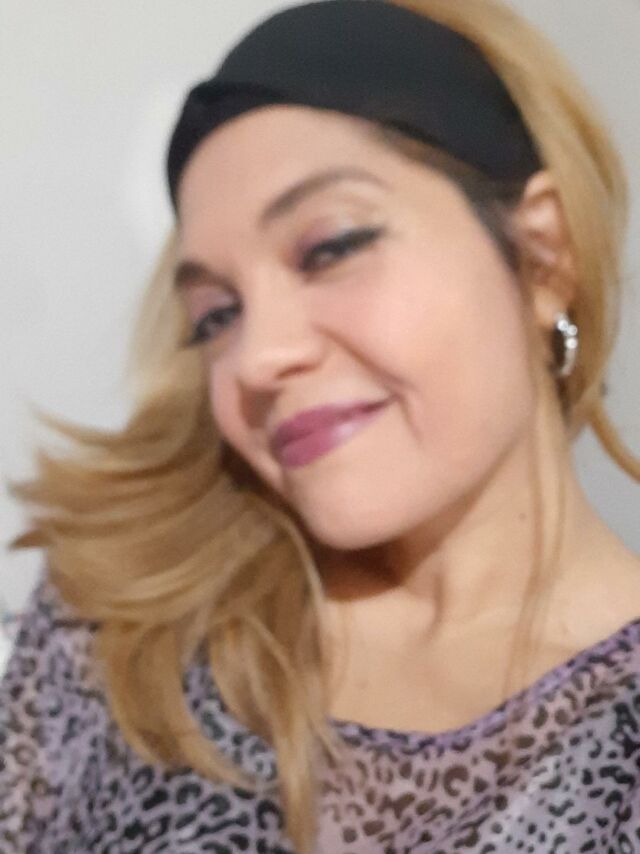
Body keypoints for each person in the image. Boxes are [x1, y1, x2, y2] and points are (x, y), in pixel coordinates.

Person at [2, 0, 639, 851]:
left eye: (330, 247)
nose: (257, 358)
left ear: (542, 256)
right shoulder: (122, 636)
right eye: (216, 315)